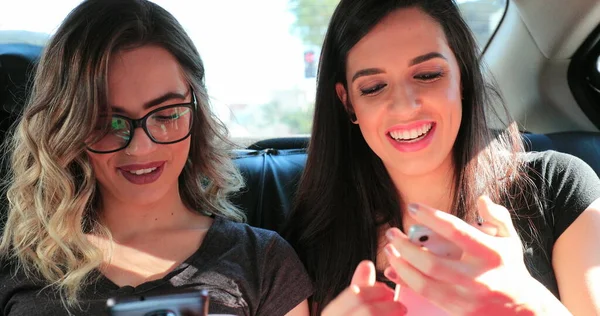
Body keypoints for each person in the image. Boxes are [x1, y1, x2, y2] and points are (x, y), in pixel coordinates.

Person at [283, 0, 600, 315]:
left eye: (428, 75)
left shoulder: (560, 187)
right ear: (348, 103)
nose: (405, 106)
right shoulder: (308, 244)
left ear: (462, 76)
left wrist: (528, 303)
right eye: (374, 87)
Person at [0, 1, 312, 315]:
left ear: (197, 113)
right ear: (68, 127)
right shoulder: (15, 268)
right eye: (107, 122)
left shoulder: (263, 262)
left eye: (165, 115)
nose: (140, 147)